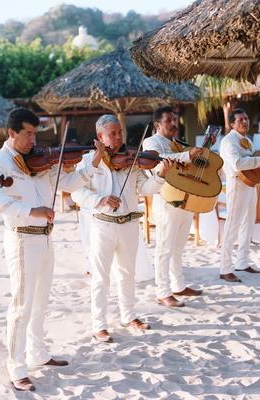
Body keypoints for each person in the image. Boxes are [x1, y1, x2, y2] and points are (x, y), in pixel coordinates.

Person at [0, 107, 105, 391]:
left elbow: (69, 183)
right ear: (11, 133)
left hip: (45, 238)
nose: (33, 141)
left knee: (41, 302)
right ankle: (16, 366)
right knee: (21, 305)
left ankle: (37, 352)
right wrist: (32, 210)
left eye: (35, 134)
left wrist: (93, 163)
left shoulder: (42, 160)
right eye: (27, 134)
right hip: (22, 238)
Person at [73, 114, 172, 343]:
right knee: (101, 277)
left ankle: (129, 316)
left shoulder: (131, 159)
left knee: (128, 274)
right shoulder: (89, 161)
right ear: (100, 136)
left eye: (120, 132)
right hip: (103, 225)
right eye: (113, 133)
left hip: (129, 223)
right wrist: (101, 199)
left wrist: (161, 176)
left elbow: (145, 188)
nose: (118, 137)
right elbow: (77, 192)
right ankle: (99, 325)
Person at [142, 106, 203, 308]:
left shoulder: (177, 143)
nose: (173, 123)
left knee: (178, 247)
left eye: (174, 119)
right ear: (157, 124)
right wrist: (187, 156)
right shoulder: (150, 142)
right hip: (167, 200)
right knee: (165, 248)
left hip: (185, 199)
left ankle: (178, 285)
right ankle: (162, 292)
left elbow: (185, 165)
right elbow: (161, 163)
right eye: (168, 120)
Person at [219, 108, 260, 282]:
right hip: (237, 184)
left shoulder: (247, 141)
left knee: (248, 224)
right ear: (232, 124)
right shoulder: (229, 142)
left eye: (247, 118)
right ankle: (225, 268)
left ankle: (242, 261)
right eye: (241, 119)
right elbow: (237, 163)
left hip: (250, 185)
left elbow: (256, 161)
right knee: (232, 225)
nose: (245, 122)